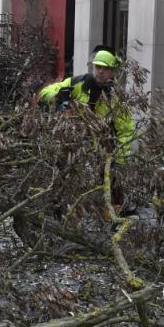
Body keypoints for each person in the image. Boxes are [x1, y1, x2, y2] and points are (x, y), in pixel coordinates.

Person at [37, 47, 134, 213]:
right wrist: (58, 96)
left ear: (112, 72)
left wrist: (121, 158)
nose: (101, 71)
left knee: (111, 173)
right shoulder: (77, 82)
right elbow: (44, 92)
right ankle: (57, 206)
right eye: (98, 67)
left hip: (102, 137)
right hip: (75, 134)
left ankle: (114, 210)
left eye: (105, 69)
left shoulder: (115, 97)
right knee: (62, 166)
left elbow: (125, 129)